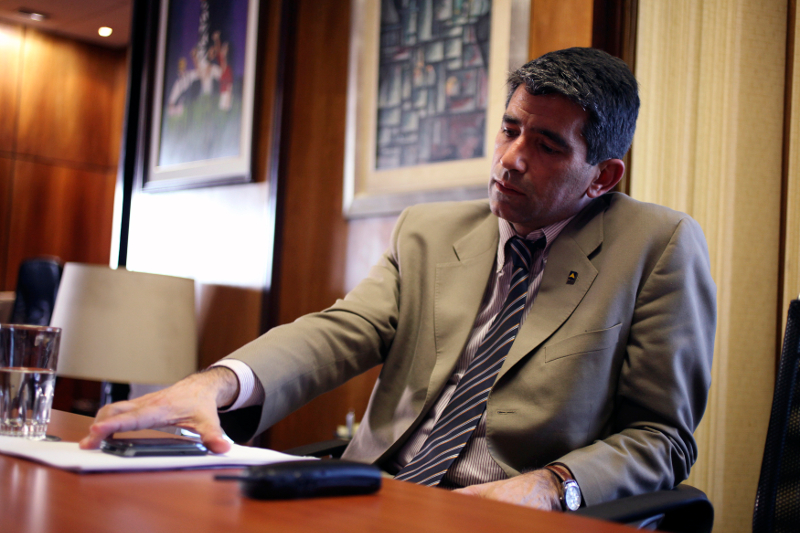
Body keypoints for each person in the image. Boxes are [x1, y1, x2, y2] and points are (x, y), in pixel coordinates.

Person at [80, 48, 715, 512]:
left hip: (505, 509)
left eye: (548, 146)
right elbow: (343, 330)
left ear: (602, 176)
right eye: (510, 128)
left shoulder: (656, 247)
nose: (512, 159)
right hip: (377, 496)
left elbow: (660, 437)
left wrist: (552, 487)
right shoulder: (430, 232)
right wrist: (218, 384)